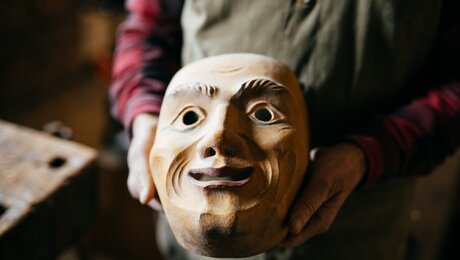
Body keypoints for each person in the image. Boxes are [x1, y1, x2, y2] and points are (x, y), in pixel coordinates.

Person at [109, 0, 460, 259]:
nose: (218, 138)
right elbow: (147, 30)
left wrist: (368, 155)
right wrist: (146, 119)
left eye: (263, 114)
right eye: (190, 117)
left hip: (357, 235)